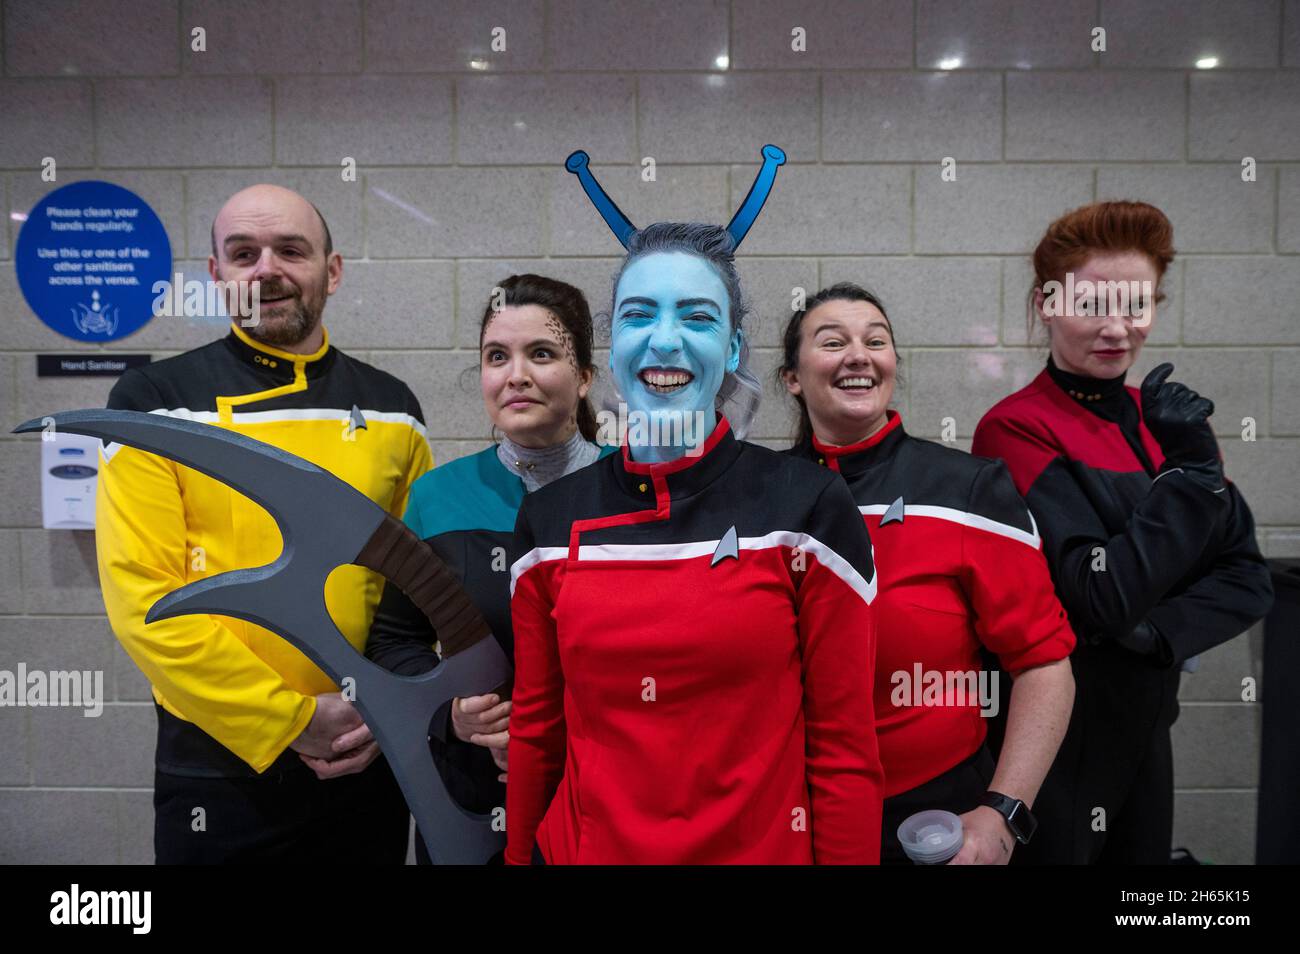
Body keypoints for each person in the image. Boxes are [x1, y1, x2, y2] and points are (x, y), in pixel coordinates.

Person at [505, 223, 884, 865]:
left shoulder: (808, 506)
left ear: (733, 348)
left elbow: (844, 749)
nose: (665, 339)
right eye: (638, 315)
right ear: (613, 343)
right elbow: (537, 732)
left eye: (698, 318)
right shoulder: (547, 521)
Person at [96, 184, 431, 863]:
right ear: (216, 275)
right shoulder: (150, 403)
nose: (267, 269)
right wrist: (291, 719)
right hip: (220, 769)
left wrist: (393, 708)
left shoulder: (393, 408)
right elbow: (146, 599)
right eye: (243, 254)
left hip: (369, 759)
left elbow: (414, 595)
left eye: (291, 250)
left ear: (331, 272)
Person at [972, 200, 1274, 864]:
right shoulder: (1016, 428)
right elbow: (1099, 594)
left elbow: (1247, 577)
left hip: (1148, 719)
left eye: (1136, 304)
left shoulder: (1167, 420)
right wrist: (1191, 478)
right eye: (1092, 304)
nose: (1117, 328)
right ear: (1046, 305)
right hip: (1063, 736)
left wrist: (1155, 635)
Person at [779, 282, 1076, 864]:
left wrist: (1004, 816)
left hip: (930, 820)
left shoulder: (968, 488)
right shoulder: (760, 494)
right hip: (786, 814)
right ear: (793, 377)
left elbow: (1044, 664)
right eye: (832, 341)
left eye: (876, 341)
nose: (859, 355)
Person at [365, 273, 613, 864]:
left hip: (604, 793)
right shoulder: (436, 498)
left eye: (542, 354)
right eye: (496, 356)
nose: (516, 375)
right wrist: (452, 716)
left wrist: (558, 734)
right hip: (472, 804)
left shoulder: (629, 489)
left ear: (583, 378)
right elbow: (393, 644)